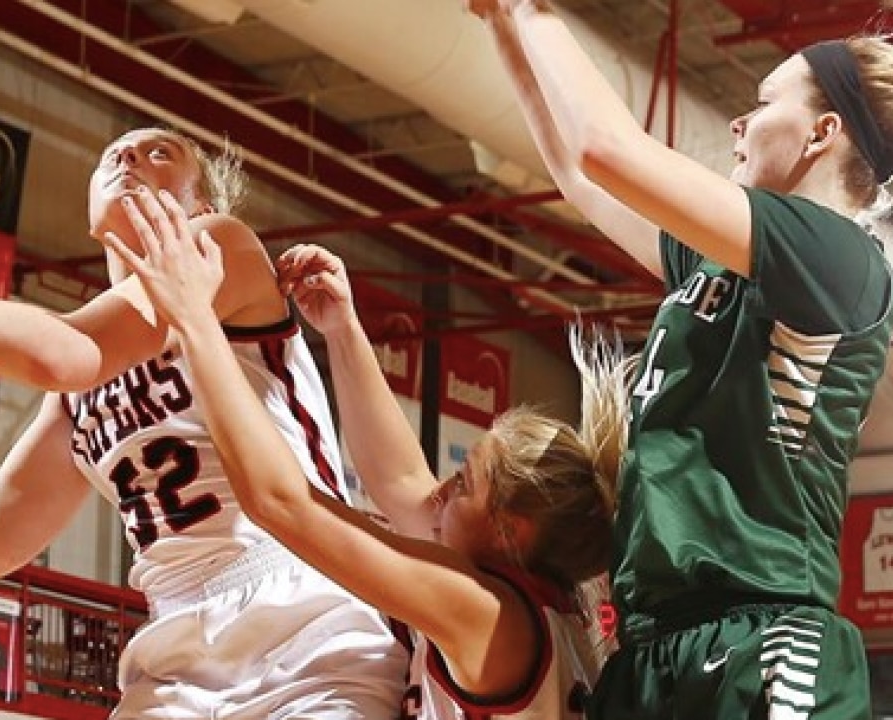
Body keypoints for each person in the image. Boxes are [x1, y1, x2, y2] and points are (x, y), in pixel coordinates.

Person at [0, 127, 408, 718]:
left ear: (202, 202)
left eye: (159, 153)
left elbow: (66, 352)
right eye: (112, 155)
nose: (128, 157)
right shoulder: (81, 390)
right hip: (177, 644)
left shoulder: (220, 249)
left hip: (302, 608)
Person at [467, 1, 893, 719]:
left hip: (761, 636)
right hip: (654, 643)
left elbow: (605, 151)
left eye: (763, 102)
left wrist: (531, 9)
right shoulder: (720, 265)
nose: (739, 124)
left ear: (822, 133)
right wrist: (502, 27)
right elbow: (579, 176)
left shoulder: (837, 256)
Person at [98, 186, 631, 718]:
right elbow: (402, 481)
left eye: (465, 483)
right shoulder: (538, 608)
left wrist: (196, 320)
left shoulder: (485, 613)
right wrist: (344, 330)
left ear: (511, 531)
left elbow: (281, 504)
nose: (442, 489)